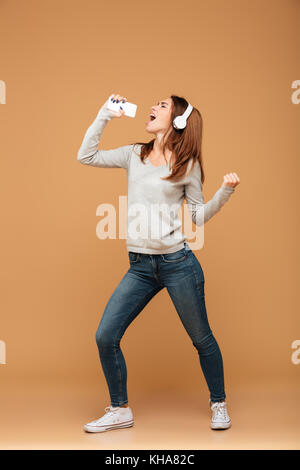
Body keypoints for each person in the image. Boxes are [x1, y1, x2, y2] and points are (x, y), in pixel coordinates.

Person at [77, 93, 240, 433]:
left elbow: (197, 217)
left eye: (162, 106)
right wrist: (104, 115)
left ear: (178, 121)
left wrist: (224, 192)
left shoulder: (187, 166)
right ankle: (120, 410)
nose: (152, 108)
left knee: (202, 339)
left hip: (177, 263)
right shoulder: (134, 154)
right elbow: (86, 156)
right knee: (106, 335)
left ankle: (219, 403)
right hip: (139, 266)